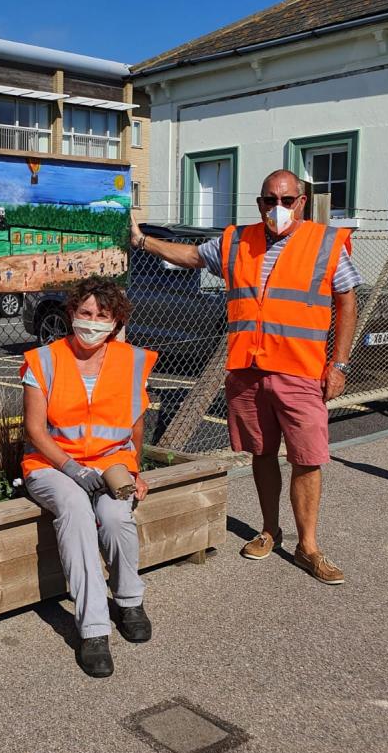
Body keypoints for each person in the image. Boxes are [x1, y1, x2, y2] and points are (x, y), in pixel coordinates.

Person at [129, 169, 360, 584]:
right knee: (261, 453)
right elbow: (192, 256)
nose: (278, 208)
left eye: (287, 200)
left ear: (302, 203)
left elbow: (347, 302)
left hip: (300, 372)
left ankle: (309, 547)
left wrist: (338, 365)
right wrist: (142, 241)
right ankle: (270, 530)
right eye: (270, 200)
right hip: (248, 371)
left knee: (307, 459)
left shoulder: (325, 243)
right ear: (259, 203)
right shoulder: (237, 241)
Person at [21, 276, 158, 678]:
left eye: (102, 315)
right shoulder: (43, 360)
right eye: (85, 313)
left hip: (109, 461)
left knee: (116, 516)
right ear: (71, 314)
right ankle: (94, 629)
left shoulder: (132, 360)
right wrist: (72, 469)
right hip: (51, 465)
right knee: (76, 509)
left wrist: (134, 468)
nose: (92, 322)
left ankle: (130, 600)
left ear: (115, 322)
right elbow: (36, 431)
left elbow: (134, 426)